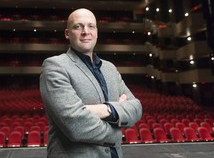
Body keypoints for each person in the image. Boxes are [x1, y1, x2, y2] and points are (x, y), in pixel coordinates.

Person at [40, 8, 142, 158]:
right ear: (67, 33)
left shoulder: (110, 68)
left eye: (91, 26)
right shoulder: (55, 66)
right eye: (78, 26)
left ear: (96, 32)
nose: (85, 31)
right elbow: (75, 125)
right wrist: (117, 127)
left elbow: (136, 107)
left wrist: (104, 110)